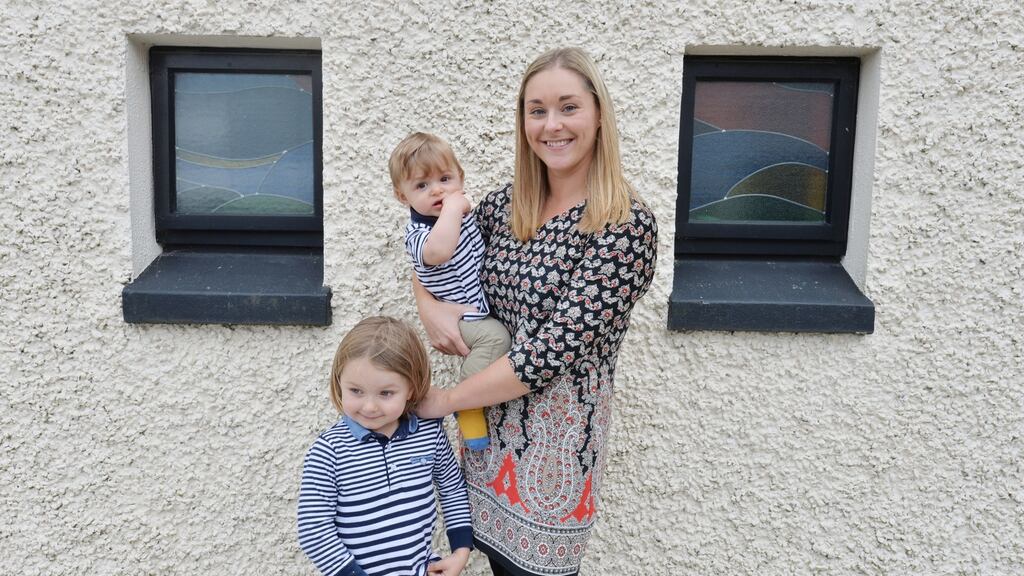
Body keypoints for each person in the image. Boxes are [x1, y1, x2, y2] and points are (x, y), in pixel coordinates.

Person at [413, 48, 658, 576]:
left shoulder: (624, 225)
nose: (552, 125)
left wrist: (444, 402)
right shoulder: (505, 207)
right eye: (537, 110)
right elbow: (430, 249)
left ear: (598, 114)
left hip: (554, 465)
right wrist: (426, 303)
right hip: (483, 444)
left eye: (568, 107)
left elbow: (547, 354)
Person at [297, 316, 473, 576]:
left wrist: (461, 551)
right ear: (339, 383)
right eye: (356, 391)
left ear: (411, 389)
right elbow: (314, 529)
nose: (369, 406)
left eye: (386, 393)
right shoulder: (329, 452)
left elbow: (452, 488)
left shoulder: (428, 433)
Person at [389, 132, 512, 451]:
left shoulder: (464, 214)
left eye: (445, 179)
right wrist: (453, 208)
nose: (437, 190)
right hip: (461, 316)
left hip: (478, 307)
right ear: (403, 197)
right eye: (421, 186)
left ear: (461, 177)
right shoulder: (418, 234)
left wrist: (458, 207)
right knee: (496, 339)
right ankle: (468, 403)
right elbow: (440, 251)